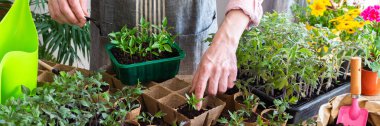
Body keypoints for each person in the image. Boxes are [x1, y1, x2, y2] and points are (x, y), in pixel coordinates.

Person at [48, 0, 263, 109]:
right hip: (114, 36)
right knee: (111, 110)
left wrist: (227, 40)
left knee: (188, 107)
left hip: (188, 36)